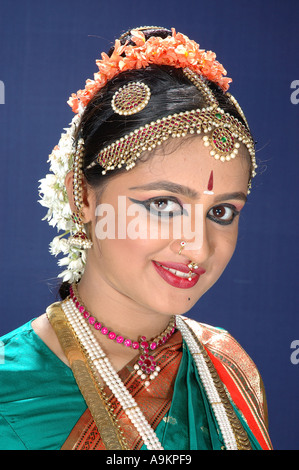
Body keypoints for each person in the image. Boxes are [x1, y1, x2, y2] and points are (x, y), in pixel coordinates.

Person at [0, 26, 272, 450]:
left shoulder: (228, 366)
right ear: (83, 197)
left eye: (221, 213)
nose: (198, 247)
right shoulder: (9, 388)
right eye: (163, 205)